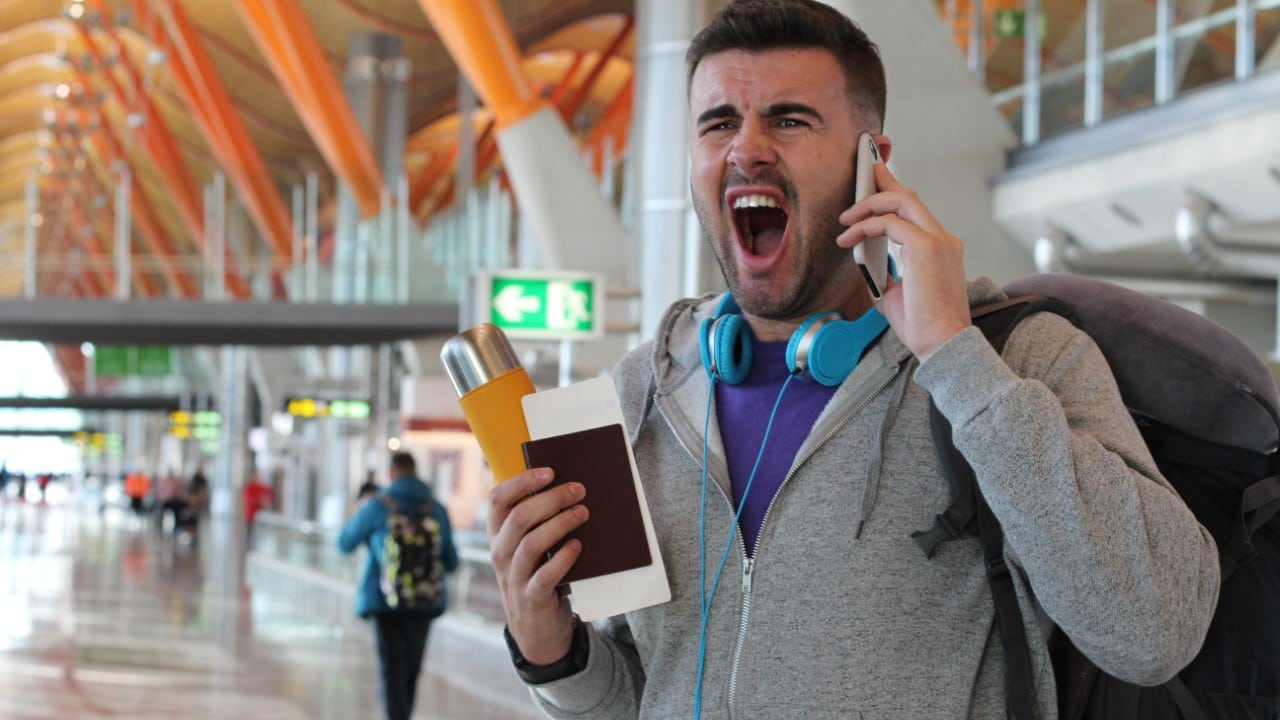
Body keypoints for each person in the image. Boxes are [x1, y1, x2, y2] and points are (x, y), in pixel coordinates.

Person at [485, 1, 1221, 717]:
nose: (746, 148)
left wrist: (954, 360)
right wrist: (555, 656)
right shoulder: (641, 393)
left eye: (789, 119)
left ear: (872, 162)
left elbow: (1153, 631)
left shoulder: (1018, 359)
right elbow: (646, 697)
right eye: (718, 123)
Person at [337, 452, 459, 720]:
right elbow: (451, 561)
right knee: (412, 668)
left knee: (391, 667)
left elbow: (344, 542)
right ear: (416, 471)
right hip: (425, 599)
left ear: (391, 473)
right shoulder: (436, 508)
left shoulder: (379, 505)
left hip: (385, 600)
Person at [241, 472, 276, 541]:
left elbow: (270, 496)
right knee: (250, 533)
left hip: (261, 516)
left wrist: (266, 501)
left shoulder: (263, 487)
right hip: (251, 515)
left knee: (260, 534)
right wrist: (260, 501)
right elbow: (250, 500)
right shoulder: (250, 487)